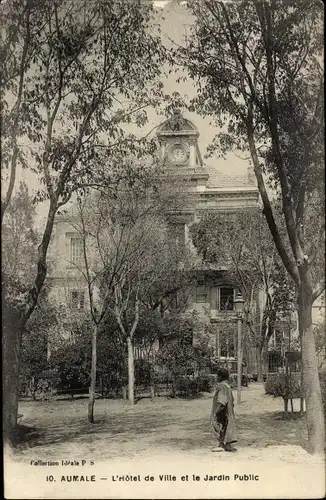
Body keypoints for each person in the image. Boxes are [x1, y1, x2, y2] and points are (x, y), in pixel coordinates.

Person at [210, 367, 237, 452]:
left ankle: (221, 444)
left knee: (219, 425)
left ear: (221, 377)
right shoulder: (228, 387)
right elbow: (232, 400)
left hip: (222, 410)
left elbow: (222, 401)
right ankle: (227, 445)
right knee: (227, 426)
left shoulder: (221, 387)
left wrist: (217, 411)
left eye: (218, 376)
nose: (216, 378)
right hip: (228, 411)